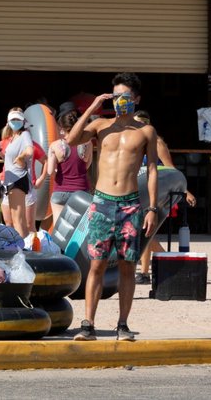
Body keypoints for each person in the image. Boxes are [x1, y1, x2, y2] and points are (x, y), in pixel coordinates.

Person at [66, 72, 158, 342]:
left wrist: (152, 208)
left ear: (136, 99)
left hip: (130, 204)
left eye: (125, 97)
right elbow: (71, 140)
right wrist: (93, 109)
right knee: (97, 265)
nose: (120, 101)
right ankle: (88, 324)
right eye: (116, 96)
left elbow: (152, 168)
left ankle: (123, 324)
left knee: (127, 266)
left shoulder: (145, 131)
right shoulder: (100, 126)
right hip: (102, 202)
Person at [133, 110, 195, 284]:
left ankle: (145, 272)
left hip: (158, 193)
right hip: (139, 191)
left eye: (140, 124)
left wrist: (185, 191)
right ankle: (169, 260)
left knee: (146, 231)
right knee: (142, 232)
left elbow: (171, 169)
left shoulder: (158, 143)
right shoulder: (134, 143)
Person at [37, 109, 93, 226]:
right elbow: (87, 165)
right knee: (81, 228)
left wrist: (58, 171)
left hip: (61, 191)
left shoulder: (55, 146)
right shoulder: (88, 143)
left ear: (61, 128)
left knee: (60, 229)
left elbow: (50, 171)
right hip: (82, 190)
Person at [0, 108, 35, 238]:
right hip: (11, 180)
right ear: (8, 121)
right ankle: (23, 250)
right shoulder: (12, 139)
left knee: (19, 221)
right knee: (15, 221)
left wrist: (21, 157)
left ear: (22, 121)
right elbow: (9, 160)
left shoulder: (24, 135)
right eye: (13, 119)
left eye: (17, 119)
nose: (15, 122)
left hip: (18, 180)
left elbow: (30, 151)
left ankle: (24, 252)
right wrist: (0, 154)